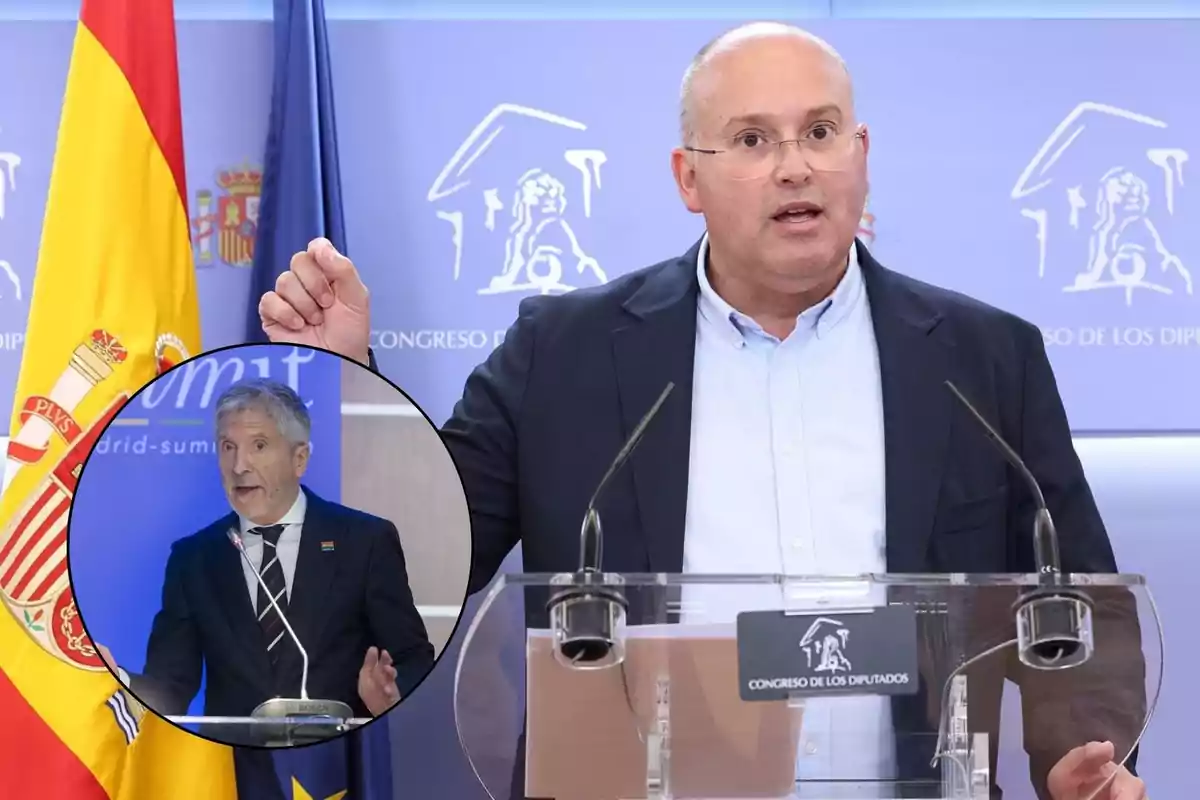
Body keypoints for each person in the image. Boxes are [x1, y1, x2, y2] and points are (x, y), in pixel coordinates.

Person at [257, 21, 1147, 800]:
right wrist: (353, 386)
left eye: (820, 131)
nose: (795, 165)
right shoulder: (562, 353)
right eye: (753, 139)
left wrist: (1081, 758)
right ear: (689, 177)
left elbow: (1080, 602)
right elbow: (423, 564)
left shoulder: (984, 360)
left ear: (862, 153)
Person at [97, 378, 434, 745]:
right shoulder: (193, 558)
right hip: (233, 769)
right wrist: (118, 680)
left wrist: (387, 695)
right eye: (228, 447)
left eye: (258, 446)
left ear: (299, 458)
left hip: (337, 764)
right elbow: (169, 686)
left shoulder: (364, 541)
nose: (239, 465)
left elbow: (413, 658)